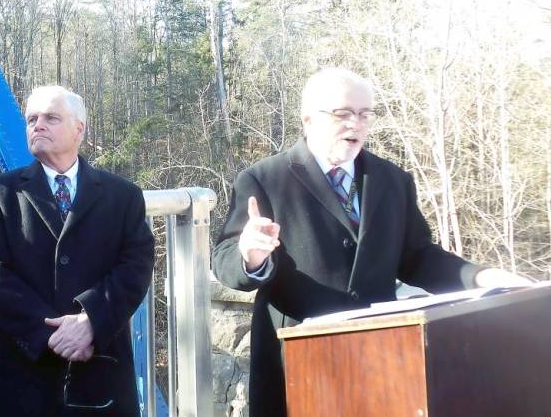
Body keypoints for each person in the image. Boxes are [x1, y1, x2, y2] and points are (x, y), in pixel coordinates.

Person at [211, 67, 532, 417]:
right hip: (297, 368)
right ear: (309, 119)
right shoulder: (265, 178)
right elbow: (225, 258)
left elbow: (419, 258)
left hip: (381, 361)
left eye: (365, 114)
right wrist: (251, 257)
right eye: (343, 113)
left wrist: (484, 278)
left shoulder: (392, 180)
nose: (356, 124)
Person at [0, 85, 155, 416]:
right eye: (31, 119)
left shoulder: (122, 196)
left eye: (51, 118)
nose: (37, 125)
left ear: (79, 128)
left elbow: (136, 267)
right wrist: (49, 334)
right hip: (19, 371)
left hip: (98, 369)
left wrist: (91, 321)